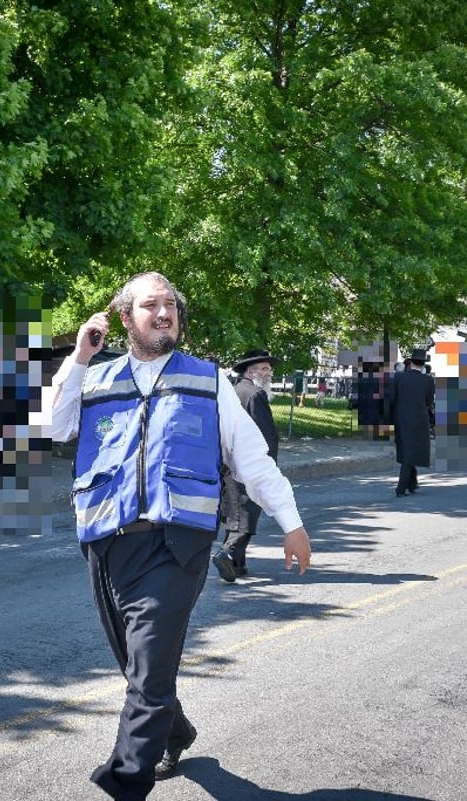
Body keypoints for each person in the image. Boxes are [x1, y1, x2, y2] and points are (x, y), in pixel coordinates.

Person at [45, 271, 312, 800]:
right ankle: (177, 730)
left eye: (171, 305)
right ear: (126, 318)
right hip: (108, 540)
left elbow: (252, 460)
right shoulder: (96, 378)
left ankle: (126, 781)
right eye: (150, 305)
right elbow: (54, 428)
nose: (164, 313)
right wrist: (78, 358)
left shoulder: (208, 381)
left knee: (147, 669)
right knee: (137, 662)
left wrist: (292, 523)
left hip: (178, 544)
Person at [213, 349, 280, 582]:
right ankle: (227, 553)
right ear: (250, 371)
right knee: (247, 513)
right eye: (264, 368)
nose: (269, 373)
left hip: (229, 463)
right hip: (249, 464)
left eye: (269, 368)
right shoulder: (254, 394)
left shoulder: (233, 392)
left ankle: (237, 566)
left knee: (236, 513)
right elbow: (265, 434)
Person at [386, 348, 435, 497]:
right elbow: (429, 401)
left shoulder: (399, 378)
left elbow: (391, 399)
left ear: (411, 362)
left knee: (406, 449)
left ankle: (412, 483)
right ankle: (401, 488)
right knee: (411, 451)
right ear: (423, 364)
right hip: (419, 419)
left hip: (401, 418)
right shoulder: (428, 380)